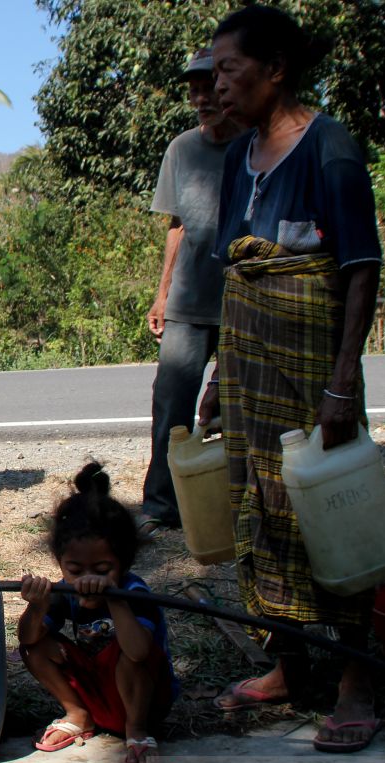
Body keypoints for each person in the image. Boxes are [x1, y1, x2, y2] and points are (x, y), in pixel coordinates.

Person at [197, 5, 384, 753]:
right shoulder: (237, 160)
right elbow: (238, 275)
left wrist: (342, 383)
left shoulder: (328, 148)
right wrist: (216, 373)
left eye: (229, 70)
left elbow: (360, 269)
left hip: (313, 375)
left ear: (275, 70)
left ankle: (355, 681)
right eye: (212, 72)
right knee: (259, 507)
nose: (216, 86)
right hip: (247, 369)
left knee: (329, 514)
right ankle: (288, 663)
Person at [138, 48, 246, 540]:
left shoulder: (254, 146)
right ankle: (161, 504)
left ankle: (241, 502)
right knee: (171, 401)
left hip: (244, 300)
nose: (203, 97)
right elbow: (176, 226)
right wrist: (162, 295)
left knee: (239, 403)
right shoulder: (182, 149)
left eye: (210, 86)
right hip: (186, 301)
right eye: (195, 89)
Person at [18, 463, 177, 763]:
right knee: (35, 645)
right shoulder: (65, 593)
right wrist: (37, 606)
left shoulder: (134, 592)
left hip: (142, 698)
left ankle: (137, 731)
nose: (86, 580)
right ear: (60, 562)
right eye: (75, 570)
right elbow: (27, 639)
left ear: (124, 562)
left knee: (129, 654)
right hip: (96, 691)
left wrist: (115, 601)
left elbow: (139, 652)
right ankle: (77, 713)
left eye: (102, 570)